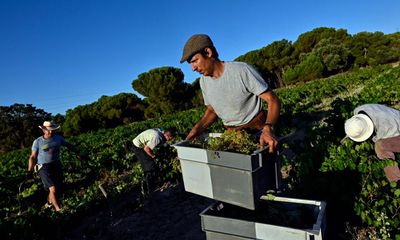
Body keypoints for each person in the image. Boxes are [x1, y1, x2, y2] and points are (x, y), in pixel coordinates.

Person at [180, 34, 280, 153]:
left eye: (195, 61)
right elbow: (212, 110)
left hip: (259, 131)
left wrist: (268, 128)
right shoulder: (203, 82)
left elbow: (272, 100)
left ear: (208, 52)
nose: (193, 68)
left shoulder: (241, 70)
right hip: (232, 135)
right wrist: (196, 130)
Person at [27, 121, 81, 212]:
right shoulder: (38, 142)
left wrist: (77, 152)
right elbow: (32, 157)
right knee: (53, 188)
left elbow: (68, 145)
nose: (51, 132)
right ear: (44, 130)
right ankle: (58, 210)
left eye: (52, 130)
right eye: (48, 130)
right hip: (43, 167)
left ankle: (48, 204)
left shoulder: (58, 138)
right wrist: (30, 170)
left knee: (56, 188)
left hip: (56, 164)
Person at [344, 104, 400, 182]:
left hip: (396, 130)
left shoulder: (385, 126)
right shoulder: (358, 111)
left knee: (380, 147)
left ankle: (396, 180)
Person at [132, 127, 175, 196]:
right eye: (170, 138)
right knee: (149, 166)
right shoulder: (157, 137)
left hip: (144, 145)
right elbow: (147, 148)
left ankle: (154, 182)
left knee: (152, 164)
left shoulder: (162, 132)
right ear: (167, 136)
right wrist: (154, 156)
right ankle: (150, 189)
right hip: (138, 147)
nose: (170, 140)